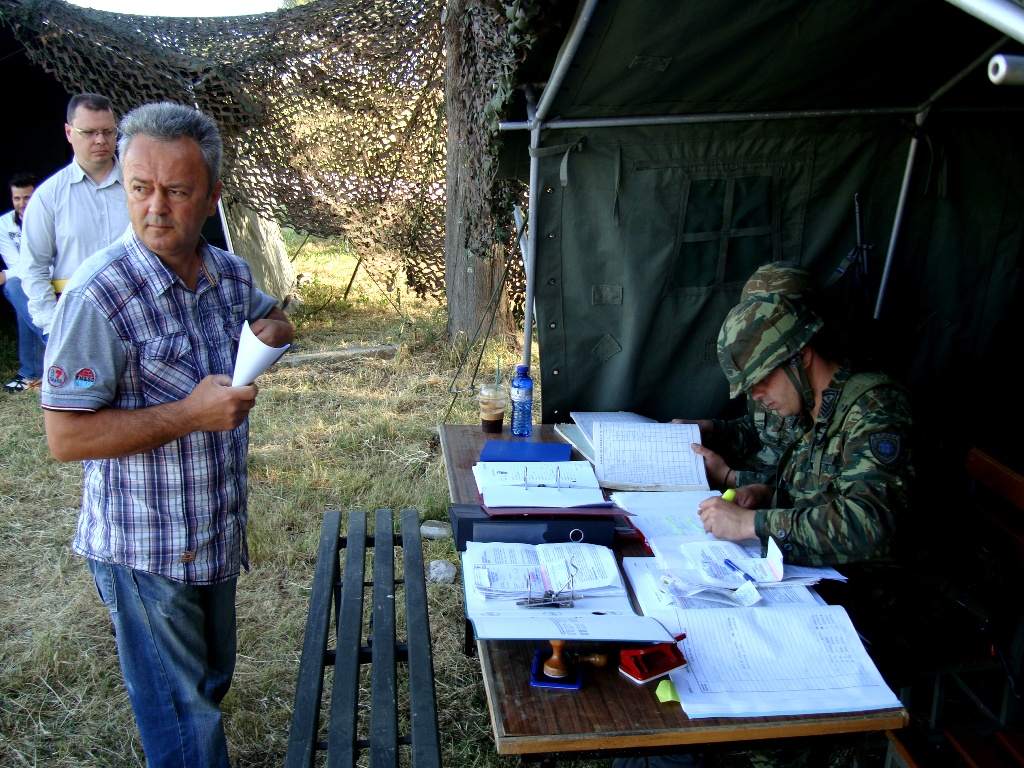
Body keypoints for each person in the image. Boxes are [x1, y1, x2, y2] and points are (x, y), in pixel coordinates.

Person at [40, 101, 294, 768]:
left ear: (210, 196)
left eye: (177, 191)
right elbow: (64, 438)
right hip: (143, 547)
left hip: (213, 532)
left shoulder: (228, 275)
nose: (155, 208)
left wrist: (273, 337)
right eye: (138, 188)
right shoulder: (99, 297)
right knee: (185, 724)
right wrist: (188, 414)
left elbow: (273, 320)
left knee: (210, 683)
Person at [695, 289, 913, 566]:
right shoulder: (809, 409)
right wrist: (769, 496)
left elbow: (872, 524)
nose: (756, 395)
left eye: (762, 378)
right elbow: (821, 496)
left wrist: (754, 524)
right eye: (748, 388)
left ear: (803, 356)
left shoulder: (876, 409)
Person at [678, 262, 821, 491]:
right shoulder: (772, 377)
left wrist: (731, 479)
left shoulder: (822, 393)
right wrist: (712, 430)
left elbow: (809, 493)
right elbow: (760, 431)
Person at [20, 92, 130, 339]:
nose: (100, 140)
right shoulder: (48, 196)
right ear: (69, 133)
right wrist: (52, 326)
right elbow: (33, 267)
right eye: (89, 132)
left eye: (108, 131)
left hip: (139, 320)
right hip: (76, 324)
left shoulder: (140, 187)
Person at [0, 172, 45, 391]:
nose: (22, 204)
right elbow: (16, 266)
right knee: (16, 288)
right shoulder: (4, 224)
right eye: (17, 198)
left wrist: (5, 275)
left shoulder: (48, 216)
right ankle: (36, 366)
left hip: (54, 277)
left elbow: (53, 261)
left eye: (27, 198)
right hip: (28, 280)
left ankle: (32, 370)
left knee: (15, 285)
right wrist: (9, 275)